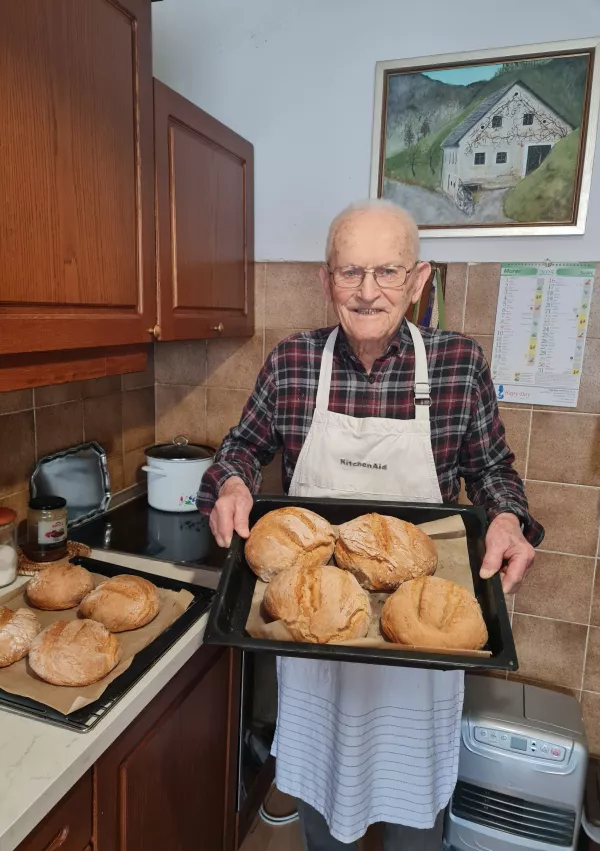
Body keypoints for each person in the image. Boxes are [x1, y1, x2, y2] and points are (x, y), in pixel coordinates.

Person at [198, 200, 544, 850]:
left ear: (418, 280)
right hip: (315, 640)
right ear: (327, 280)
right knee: (325, 815)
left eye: (387, 271)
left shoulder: (458, 365)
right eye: (350, 271)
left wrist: (505, 518)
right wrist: (235, 479)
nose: (367, 290)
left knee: (415, 820)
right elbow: (239, 446)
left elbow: (493, 468)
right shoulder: (293, 361)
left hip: (420, 650)